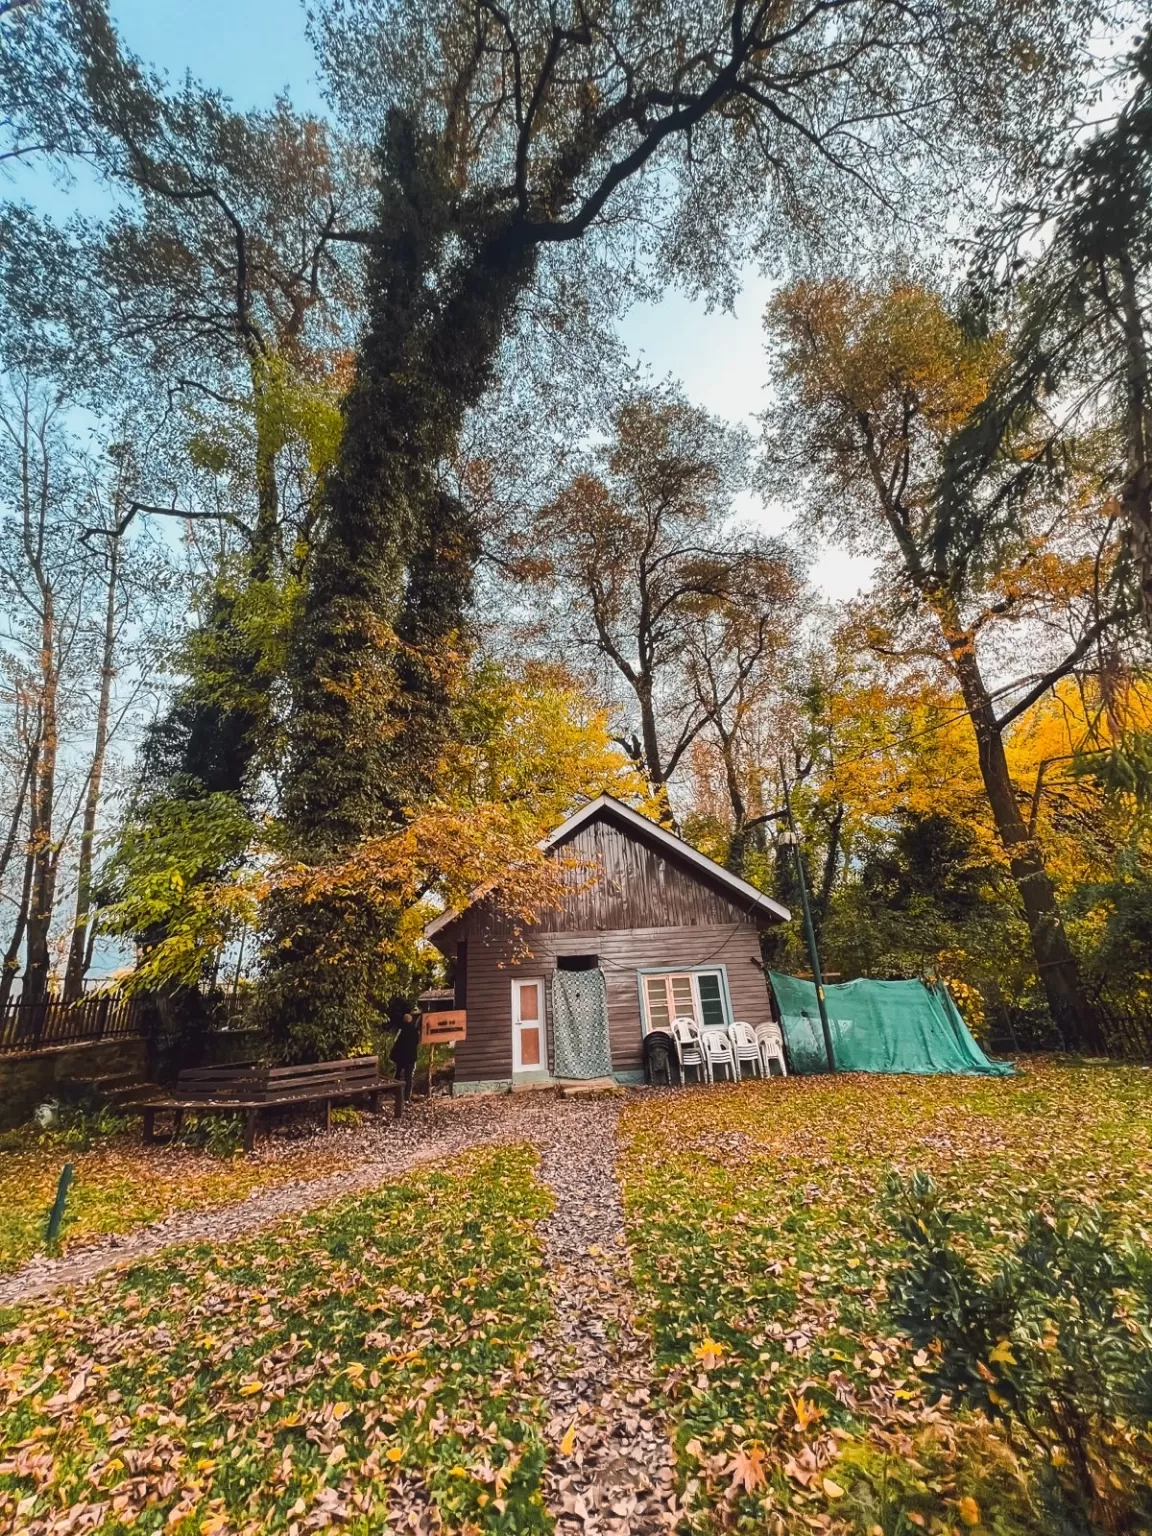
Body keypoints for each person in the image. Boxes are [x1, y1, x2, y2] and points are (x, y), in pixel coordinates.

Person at [389, 1007, 421, 1103]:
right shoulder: (415, 1031)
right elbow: (417, 1042)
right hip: (411, 1057)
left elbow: (396, 1042)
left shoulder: (401, 1030)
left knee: (398, 1074)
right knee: (409, 1077)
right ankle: (407, 1097)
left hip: (400, 1057)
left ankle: (395, 1092)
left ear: (403, 1020)